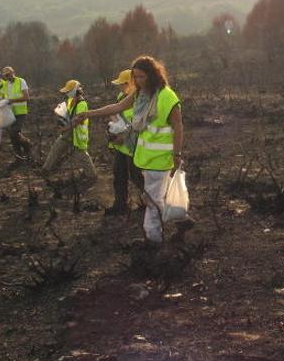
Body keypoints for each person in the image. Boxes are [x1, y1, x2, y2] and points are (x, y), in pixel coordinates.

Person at [72, 56, 183, 244]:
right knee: (152, 197)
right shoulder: (140, 94)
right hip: (145, 156)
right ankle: (181, 220)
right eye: (136, 78)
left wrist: (177, 154)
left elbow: (178, 126)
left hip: (161, 157)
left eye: (141, 77)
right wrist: (88, 114)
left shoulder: (167, 96)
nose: (138, 81)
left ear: (152, 75)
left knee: (152, 200)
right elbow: (116, 107)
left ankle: (153, 238)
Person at [104, 69, 145, 216]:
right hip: (121, 146)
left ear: (131, 83)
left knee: (137, 176)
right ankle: (121, 204)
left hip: (134, 146)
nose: (120, 87)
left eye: (123, 84)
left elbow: (139, 124)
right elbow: (117, 116)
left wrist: (123, 136)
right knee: (119, 174)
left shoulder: (140, 99)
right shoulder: (121, 96)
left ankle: (150, 203)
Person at [43, 79, 97, 182]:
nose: (66, 93)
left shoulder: (82, 104)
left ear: (74, 91)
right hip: (69, 131)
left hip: (77, 133)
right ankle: (45, 169)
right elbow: (67, 115)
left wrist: (64, 128)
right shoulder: (69, 101)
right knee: (57, 147)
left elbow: (77, 120)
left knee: (81, 154)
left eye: (68, 91)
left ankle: (92, 175)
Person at [0, 66, 32, 160]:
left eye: (9, 74)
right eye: (6, 75)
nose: (8, 76)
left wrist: (12, 100)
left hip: (21, 112)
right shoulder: (5, 85)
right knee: (13, 134)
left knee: (14, 132)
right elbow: (3, 99)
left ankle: (27, 144)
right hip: (10, 113)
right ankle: (19, 155)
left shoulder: (21, 81)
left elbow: (26, 97)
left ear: (13, 72)